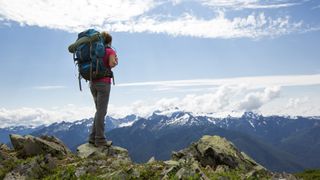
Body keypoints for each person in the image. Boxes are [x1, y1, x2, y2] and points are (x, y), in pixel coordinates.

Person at [88, 31, 118, 147]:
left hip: (92, 83)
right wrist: (116, 61)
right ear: (109, 41)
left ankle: (92, 137)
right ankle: (100, 139)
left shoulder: (94, 51)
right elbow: (111, 64)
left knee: (98, 111)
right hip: (104, 84)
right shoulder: (110, 51)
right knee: (102, 112)